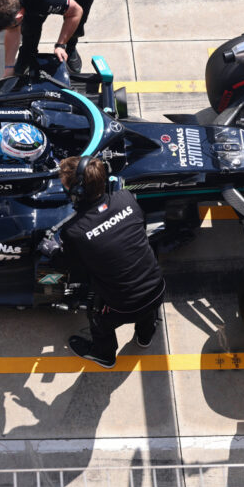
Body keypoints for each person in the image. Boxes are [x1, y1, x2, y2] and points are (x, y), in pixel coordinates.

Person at [46, 156, 165, 368]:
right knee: (146, 310)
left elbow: (67, 266)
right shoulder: (127, 198)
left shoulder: (74, 232)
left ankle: (104, 355)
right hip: (158, 289)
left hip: (123, 307)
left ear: (77, 193)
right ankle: (145, 337)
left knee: (98, 316)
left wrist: (53, 251)